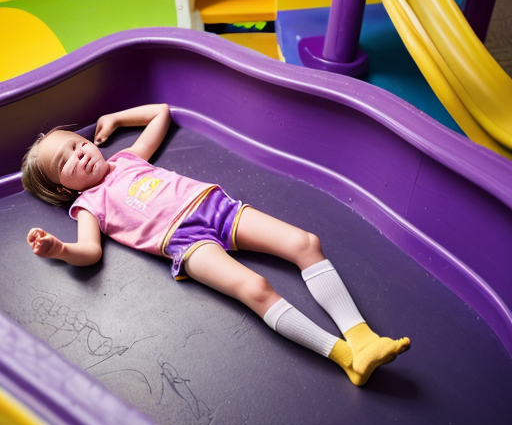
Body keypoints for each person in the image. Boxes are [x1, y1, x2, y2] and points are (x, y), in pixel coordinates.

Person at [22, 104, 410, 386]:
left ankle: (363, 338)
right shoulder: (88, 205)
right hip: (185, 242)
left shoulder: (125, 159)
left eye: (77, 144)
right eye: (66, 161)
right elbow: (89, 252)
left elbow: (161, 113)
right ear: (62, 187)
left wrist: (119, 118)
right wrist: (59, 249)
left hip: (216, 207)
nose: (80, 154)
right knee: (255, 289)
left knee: (304, 242)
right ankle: (345, 358)